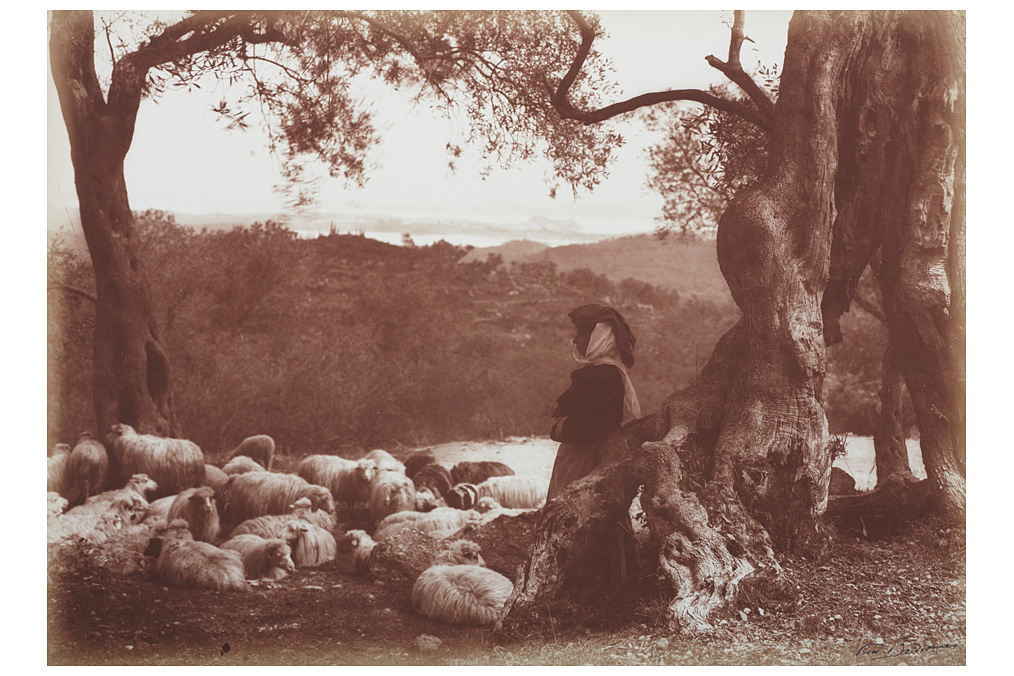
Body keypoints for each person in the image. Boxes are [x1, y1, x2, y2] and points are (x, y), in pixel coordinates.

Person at [547, 303, 641, 500]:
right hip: (579, 457)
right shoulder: (604, 373)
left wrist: (561, 428)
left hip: (584, 461)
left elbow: (599, 423)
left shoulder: (603, 375)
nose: (575, 340)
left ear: (599, 337)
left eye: (581, 334)